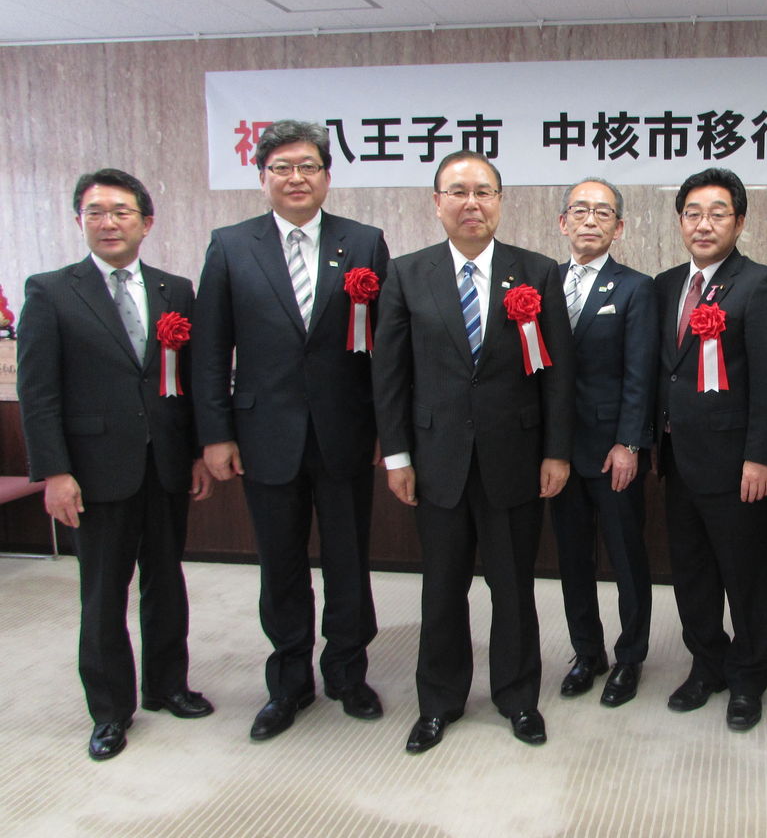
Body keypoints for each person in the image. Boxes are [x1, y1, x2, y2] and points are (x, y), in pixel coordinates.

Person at [192, 120, 389, 741]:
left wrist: (388, 431)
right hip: (263, 435)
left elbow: (385, 347)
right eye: (282, 167)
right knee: (280, 565)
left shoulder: (364, 243)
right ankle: (288, 684)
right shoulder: (230, 246)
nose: (296, 178)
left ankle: (348, 673)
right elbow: (209, 350)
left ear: (327, 176)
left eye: (308, 166)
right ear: (262, 178)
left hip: (344, 432)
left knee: (348, 560)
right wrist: (216, 433)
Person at [372, 150, 574, 752]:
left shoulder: (536, 272)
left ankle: (518, 698)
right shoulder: (407, 274)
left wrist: (556, 451)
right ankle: (438, 702)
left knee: (513, 588)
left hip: (515, 458)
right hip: (437, 462)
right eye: (457, 192)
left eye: (483, 192)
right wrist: (397, 456)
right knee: (441, 590)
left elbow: (558, 375)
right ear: (437, 203)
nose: (471, 203)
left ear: (500, 202)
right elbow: (391, 375)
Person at [17, 168, 214, 760]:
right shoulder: (51, 291)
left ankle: (167, 685)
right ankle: (109, 711)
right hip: (93, 470)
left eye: (122, 212)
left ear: (146, 223)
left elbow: (190, 381)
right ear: (79, 221)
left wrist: (197, 451)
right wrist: (54, 472)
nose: (109, 223)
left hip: (166, 463)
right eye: (96, 212)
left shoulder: (175, 290)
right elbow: (38, 393)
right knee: (103, 592)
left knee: (166, 580)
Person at [654, 167, 767, 733]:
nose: (703, 224)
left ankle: (749, 676)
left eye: (717, 213)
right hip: (677, 460)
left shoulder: (761, 285)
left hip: (738, 466)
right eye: (693, 213)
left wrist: (761, 456)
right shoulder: (665, 285)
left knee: (745, 575)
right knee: (692, 573)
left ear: (739, 221)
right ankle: (706, 664)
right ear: (680, 221)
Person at [550, 178, 657, 707]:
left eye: (603, 212)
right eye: (580, 210)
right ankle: (586, 652)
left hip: (613, 451)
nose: (590, 220)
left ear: (619, 227)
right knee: (572, 558)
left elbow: (640, 374)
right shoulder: (542, 283)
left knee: (626, 557)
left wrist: (629, 444)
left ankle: (630, 657)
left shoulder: (636, 288)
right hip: (557, 452)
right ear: (563, 222)